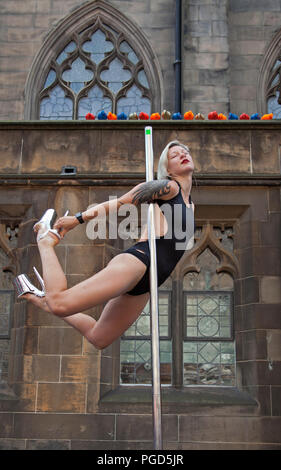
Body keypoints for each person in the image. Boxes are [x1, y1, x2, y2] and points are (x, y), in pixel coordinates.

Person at [14, 141, 195, 350]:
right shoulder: (169, 188)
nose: (182, 155)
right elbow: (122, 202)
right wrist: (78, 219)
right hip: (139, 263)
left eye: (185, 151)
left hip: (151, 280)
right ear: (167, 168)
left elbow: (156, 230)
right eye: (174, 155)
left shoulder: (190, 203)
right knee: (59, 304)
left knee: (99, 337)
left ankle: (37, 296)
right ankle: (45, 241)